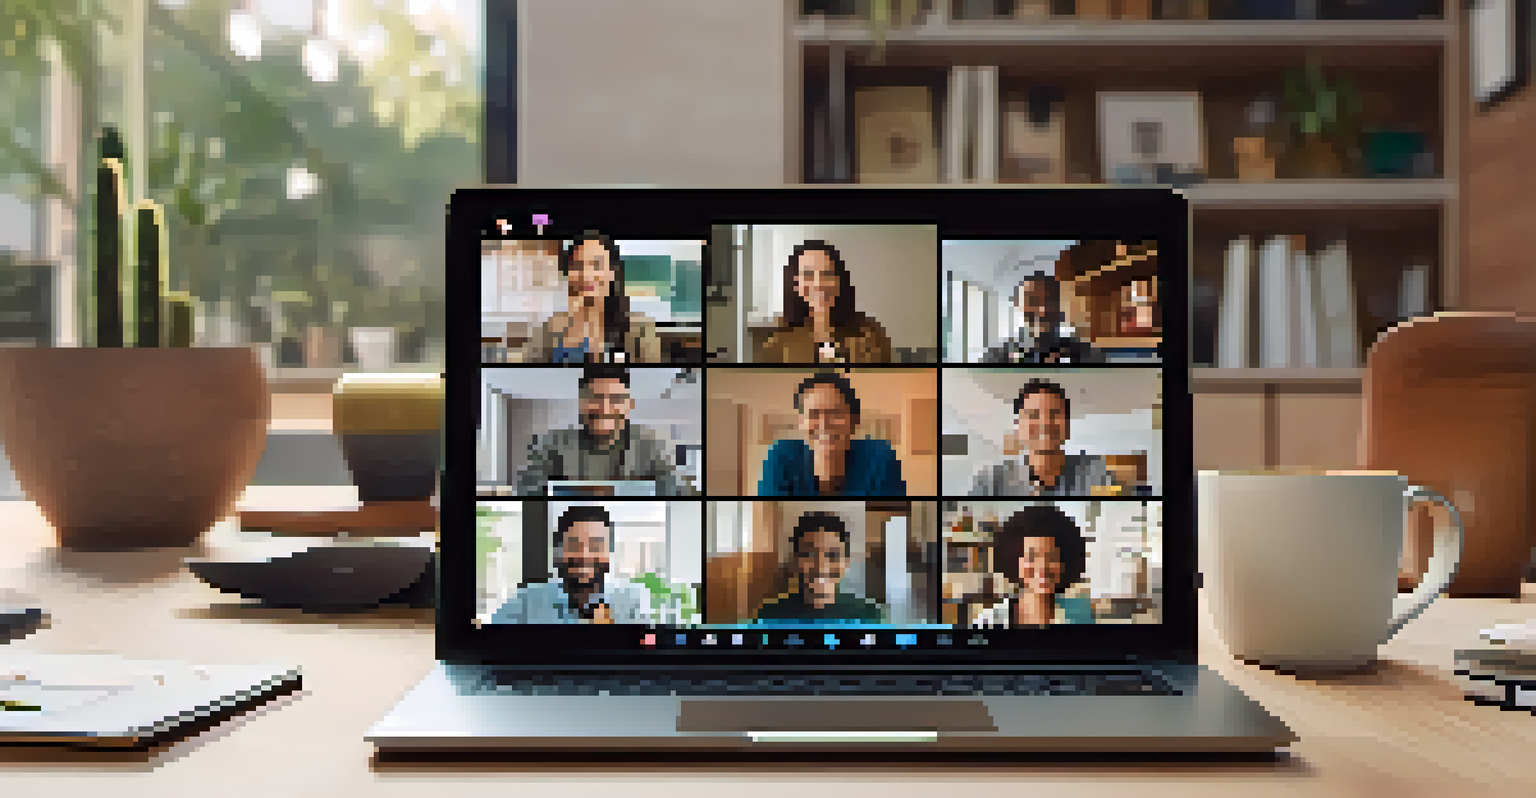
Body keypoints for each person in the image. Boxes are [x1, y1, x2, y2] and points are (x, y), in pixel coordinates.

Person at [515, 366, 697, 496]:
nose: (605, 408)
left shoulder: (652, 445)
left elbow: (678, 490)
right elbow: (528, 489)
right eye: (596, 398)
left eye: (615, 399)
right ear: (581, 403)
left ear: (628, 406)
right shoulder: (550, 444)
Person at [490, 505, 653, 624]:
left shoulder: (633, 601)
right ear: (559, 552)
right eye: (574, 546)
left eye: (596, 546)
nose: (584, 555)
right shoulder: (526, 602)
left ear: (609, 554)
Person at [521, 232, 664, 363]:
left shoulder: (640, 328)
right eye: (577, 265)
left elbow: (652, 380)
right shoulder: (551, 326)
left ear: (612, 272)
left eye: (596, 265)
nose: (586, 275)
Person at [758, 372, 906, 497]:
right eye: (814, 414)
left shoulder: (880, 457)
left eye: (835, 413)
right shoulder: (780, 456)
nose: (824, 424)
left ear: (854, 420)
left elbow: (891, 521)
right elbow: (768, 518)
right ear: (801, 422)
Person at [969, 379, 1115, 497]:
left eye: (1055, 414)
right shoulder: (990, 481)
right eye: (1033, 415)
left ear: (1068, 424)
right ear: (1018, 425)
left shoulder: (1095, 472)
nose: (1045, 422)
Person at [758, 240, 893, 364]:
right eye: (808, 274)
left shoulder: (871, 332)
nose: (818, 283)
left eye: (827, 273)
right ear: (795, 284)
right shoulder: (776, 344)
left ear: (839, 280)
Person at [754, 511, 887, 625]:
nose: (821, 566)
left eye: (833, 555)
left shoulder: (868, 615)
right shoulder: (768, 616)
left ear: (846, 562)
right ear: (794, 561)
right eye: (809, 554)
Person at [971, 506, 1094, 628]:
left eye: (1051, 557)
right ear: (1014, 561)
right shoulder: (989, 622)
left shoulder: (1080, 620)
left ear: (1064, 563)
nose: (1042, 566)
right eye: (1031, 557)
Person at [979, 274, 1104, 364]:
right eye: (1032, 300)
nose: (1043, 310)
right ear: (1017, 304)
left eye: (1051, 301)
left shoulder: (1089, 355)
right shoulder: (994, 358)